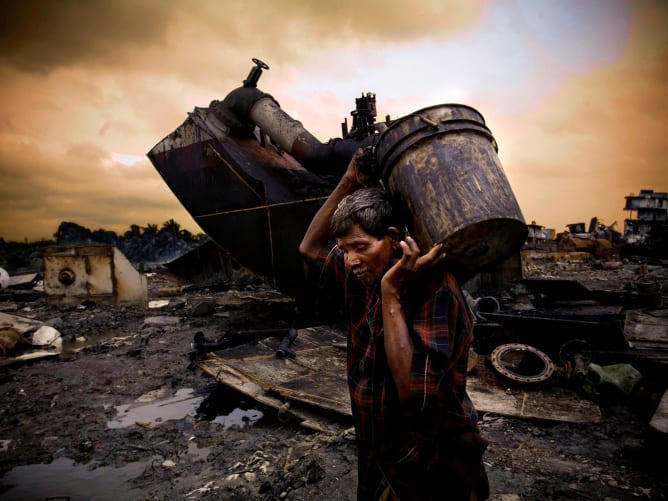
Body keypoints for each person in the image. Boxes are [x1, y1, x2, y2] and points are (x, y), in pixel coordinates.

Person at [299, 147, 490, 501]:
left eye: (360, 246)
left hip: (429, 461)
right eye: (344, 249)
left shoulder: (433, 289)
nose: (351, 260)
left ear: (391, 238)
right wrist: (349, 180)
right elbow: (308, 249)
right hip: (378, 446)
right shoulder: (361, 277)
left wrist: (390, 294)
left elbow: (415, 395)